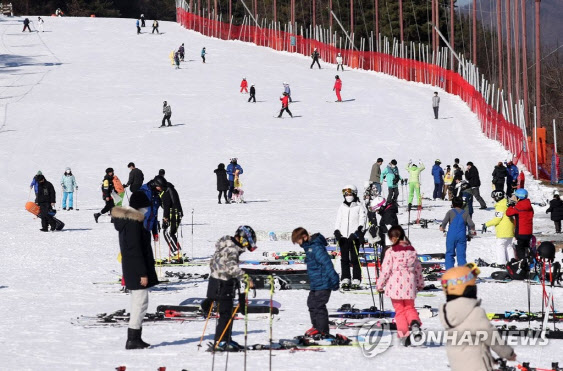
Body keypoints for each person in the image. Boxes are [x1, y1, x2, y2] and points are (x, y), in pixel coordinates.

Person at [439, 265, 516, 370]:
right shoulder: (474, 312)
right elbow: (491, 337)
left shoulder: (448, 312)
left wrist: (489, 357)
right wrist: (508, 353)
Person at [113, 191, 158, 350]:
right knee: (140, 303)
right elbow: (135, 250)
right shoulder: (133, 223)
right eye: (146, 207)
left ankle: (135, 337)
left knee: (137, 303)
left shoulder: (129, 221)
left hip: (131, 268)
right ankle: (133, 339)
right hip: (136, 270)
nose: (147, 210)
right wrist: (142, 273)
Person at [202, 226, 257, 351]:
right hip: (223, 285)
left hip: (215, 283)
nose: (246, 246)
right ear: (242, 238)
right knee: (225, 314)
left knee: (226, 314)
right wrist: (246, 278)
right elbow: (231, 268)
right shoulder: (232, 250)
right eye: (246, 242)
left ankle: (225, 339)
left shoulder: (225, 244)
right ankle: (221, 341)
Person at [376, 226, 424, 346]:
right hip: (410, 285)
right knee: (410, 308)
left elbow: (386, 270)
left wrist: (380, 284)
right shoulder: (412, 251)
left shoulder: (391, 252)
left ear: (393, 239)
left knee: (400, 311)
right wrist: (420, 283)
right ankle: (414, 322)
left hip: (395, 286)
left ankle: (404, 335)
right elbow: (418, 269)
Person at [292, 227, 340, 337]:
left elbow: (327, 264)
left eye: (298, 241)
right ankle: (316, 327)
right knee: (311, 303)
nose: (298, 244)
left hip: (323, 283)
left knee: (319, 306)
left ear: (304, 237)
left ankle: (323, 331)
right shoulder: (309, 247)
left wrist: (334, 280)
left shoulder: (316, 247)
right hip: (315, 283)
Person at [334, 185, 367, 290]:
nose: (348, 196)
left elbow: (363, 220)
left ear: (355, 194)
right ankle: (345, 278)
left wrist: (358, 232)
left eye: (350, 194)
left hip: (354, 237)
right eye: (346, 194)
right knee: (344, 259)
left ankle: (356, 278)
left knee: (354, 258)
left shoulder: (359, 206)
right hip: (343, 236)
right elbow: (338, 220)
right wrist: (337, 231)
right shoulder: (342, 206)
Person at [440, 197, 476, 269]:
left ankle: (450, 272)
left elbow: (444, 222)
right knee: (461, 255)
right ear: (462, 204)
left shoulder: (450, 212)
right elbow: (471, 224)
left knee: (450, 254)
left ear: (452, 204)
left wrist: (442, 227)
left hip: (451, 236)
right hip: (461, 236)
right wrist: (471, 234)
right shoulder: (465, 213)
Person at [483, 190, 515, 266]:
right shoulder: (507, 203)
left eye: (494, 197)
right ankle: (512, 261)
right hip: (510, 227)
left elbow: (497, 219)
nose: (493, 199)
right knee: (509, 246)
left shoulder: (500, 206)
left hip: (503, 229)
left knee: (500, 245)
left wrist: (486, 224)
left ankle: (501, 263)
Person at [505, 189, 534, 260]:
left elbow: (508, 213)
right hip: (529, 231)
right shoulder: (529, 206)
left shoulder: (519, 207)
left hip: (520, 232)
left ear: (518, 198)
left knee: (519, 249)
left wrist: (511, 206)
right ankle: (529, 260)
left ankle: (523, 263)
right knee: (526, 246)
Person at [139, 176, 167, 240]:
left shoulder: (156, 196)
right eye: (161, 187)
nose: (161, 189)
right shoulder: (143, 191)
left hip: (147, 231)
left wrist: (155, 232)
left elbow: (154, 216)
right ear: (156, 184)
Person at [161, 181, 183, 258]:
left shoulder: (166, 192)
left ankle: (177, 253)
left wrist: (165, 218)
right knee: (170, 233)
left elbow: (167, 206)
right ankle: (178, 252)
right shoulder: (171, 189)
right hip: (176, 213)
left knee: (167, 233)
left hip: (174, 214)